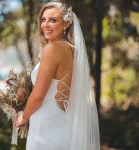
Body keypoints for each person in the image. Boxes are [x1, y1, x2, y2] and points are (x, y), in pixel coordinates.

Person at [15, 2, 100, 150]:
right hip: (63, 128)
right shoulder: (71, 50)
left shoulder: (52, 48)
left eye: (52, 20)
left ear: (66, 24)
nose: (46, 25)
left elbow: (38, 96)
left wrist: (24, 116)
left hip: (45, 132)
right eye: (43, 20)